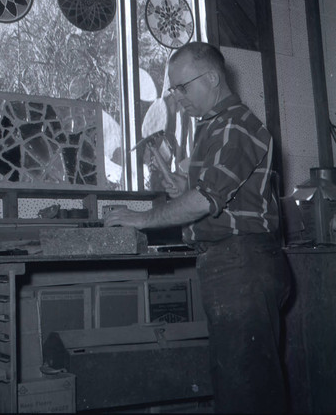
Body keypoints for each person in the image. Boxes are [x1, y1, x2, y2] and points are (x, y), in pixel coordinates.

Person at [105, 42, 291, 414]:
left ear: (211, 78)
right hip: (233, 265)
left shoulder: (235, 124)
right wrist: (184, 188)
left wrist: (140, 218)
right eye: (173, 90)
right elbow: (215, 194)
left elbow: (206, 201)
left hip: (243, 265)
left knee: (246, 392)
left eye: (182, 88)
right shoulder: (214, 127)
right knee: (240, 383)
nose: (177, 99)